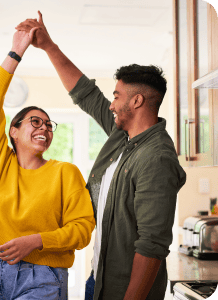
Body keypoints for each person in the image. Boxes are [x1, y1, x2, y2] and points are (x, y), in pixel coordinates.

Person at [16, 12, 187, 300]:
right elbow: (86, 93)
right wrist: (48, 46)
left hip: (123, 291)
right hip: (99, 279)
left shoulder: (156, 158)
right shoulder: (124, 136)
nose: (111, 104)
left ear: (136, 101)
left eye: (117, 96)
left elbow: (151, 245)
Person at [0, 26, 95, 300]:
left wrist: (36, 241)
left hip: (43, 275)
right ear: (13, 131)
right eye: (35, 121)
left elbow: (82, 230)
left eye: (48, 124)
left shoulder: (65, 173)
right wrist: (16, 51)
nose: (44, 127)